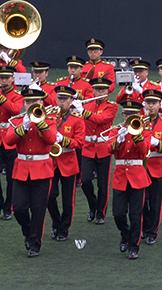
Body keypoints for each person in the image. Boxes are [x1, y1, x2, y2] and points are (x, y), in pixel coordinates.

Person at [4, 88, 57, 257]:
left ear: (42, 103)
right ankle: (28, 232)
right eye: (28, 102)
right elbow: (9, 140)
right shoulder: (18, 120)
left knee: (38, 209)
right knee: (18, 208)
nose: (31, 105)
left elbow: (51, 140)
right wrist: (24, 126)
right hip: (21, 169)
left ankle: (35, 244)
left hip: (42, 169)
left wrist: (40, 122)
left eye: (34, 102)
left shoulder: (50, 120)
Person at [108, 100, 151, 260]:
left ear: (139, 115)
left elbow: (145, 150)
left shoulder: (145, 131)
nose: (128, 117)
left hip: (137, 176)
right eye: (126, 114)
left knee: (135, 214)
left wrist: (136, 134)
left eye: (132, 114)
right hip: (120, 175)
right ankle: (125, 235)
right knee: (118, 213)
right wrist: (119, 139)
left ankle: (134, 246)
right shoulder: (118, 131)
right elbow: (108, 149)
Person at [47, 85, 85, 241]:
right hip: (51, 161)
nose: (61, 102)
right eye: (59, 99)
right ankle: (56, 222)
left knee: (68, 199)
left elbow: (80, 142)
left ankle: (64, 229)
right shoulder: (50, 116)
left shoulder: (77, 119)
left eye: (64, 99)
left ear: (71, 100)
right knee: (49, 195)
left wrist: (64, 140)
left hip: (68, 161)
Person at [79, 77, 118, 224]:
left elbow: (101, 119)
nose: (99, 91)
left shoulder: (111, 106)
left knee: (103, 184)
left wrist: (82, 111)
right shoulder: (87, 104)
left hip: (103, 148)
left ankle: (101, 213)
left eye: (102, 89)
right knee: (85, 180)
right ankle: (92, 205)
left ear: (107, 91)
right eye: (96, 89)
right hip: (88, 147)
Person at [0, 66, 23, 220]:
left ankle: (8, 207)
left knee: (11, 178)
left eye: (7, 78)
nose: (4, 80)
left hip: (11, 139)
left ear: (12, 79)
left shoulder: (17, 95)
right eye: (1, 78)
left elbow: (15, 110)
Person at [141, 89, 162, 244]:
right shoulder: (138, 121)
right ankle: (143, 226)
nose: (150, 106)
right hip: (141, 168)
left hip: (157, 166)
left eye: (154, 103)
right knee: (141, 200)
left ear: (160, 105)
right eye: (148, 103)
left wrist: (156, 143)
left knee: (155, 202)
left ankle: (152, 231)